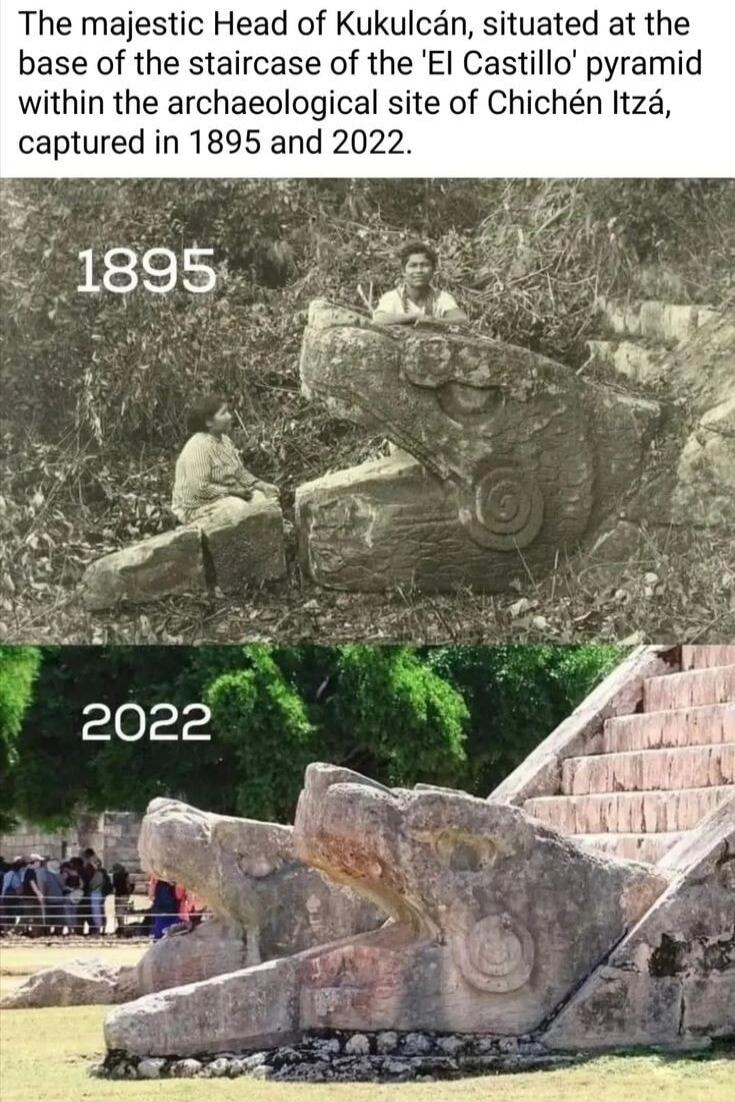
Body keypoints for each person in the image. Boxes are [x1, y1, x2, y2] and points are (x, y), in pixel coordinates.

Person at [171, 395, 277, 523]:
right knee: (238, 509)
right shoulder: (198, 447)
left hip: (225, 497)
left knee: (264, 499)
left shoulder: (225, 440)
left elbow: (238, 472)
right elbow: (200, 489)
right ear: (209, 421)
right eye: (223, 413)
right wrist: (233, 492)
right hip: (196, 507)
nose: (229, 416)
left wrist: (261, 485)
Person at [373, 241, 468, 327]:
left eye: (425, 265)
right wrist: (414, 317)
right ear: (403, 271)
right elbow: (379, 319)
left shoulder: (441, 298)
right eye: (413, 266)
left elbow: (462, 319)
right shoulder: (393, 297)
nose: (419, 271)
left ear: (433, 270)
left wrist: (432, 320)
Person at [21, 854, 45, 937]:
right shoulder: (30, 871)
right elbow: (32, 883)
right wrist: (39, 894)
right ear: (35, 862)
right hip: (30, 897)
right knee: (29, 916)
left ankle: (35, 933)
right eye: (39, 861)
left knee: (32, 916)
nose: (40, 863)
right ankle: (17, 931)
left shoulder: (28, 871)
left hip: (30, 897)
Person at [1, 857, 25, 934]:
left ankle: (5, 929)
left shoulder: (6, 874)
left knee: (5, 914)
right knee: (11, 914)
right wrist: (20, 898)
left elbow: (4, 887)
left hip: (5, 896)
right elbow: (18, 888)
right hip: (12, 897)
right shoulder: (15, 875)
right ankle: (9, 929)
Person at [111, 863, 132, 937]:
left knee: (119, 913)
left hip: (121, 895)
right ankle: (121, 928)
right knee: (119, 913)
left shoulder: (118, 875)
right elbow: (129, 885)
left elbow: (128, 884)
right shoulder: (124, 875)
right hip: (121, 895)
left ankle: (122, 928)